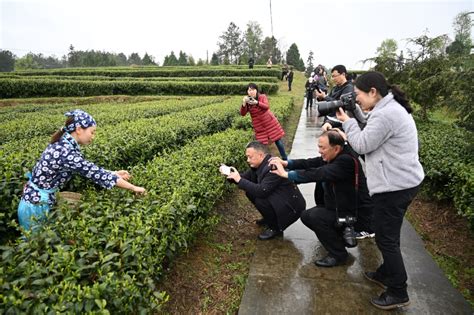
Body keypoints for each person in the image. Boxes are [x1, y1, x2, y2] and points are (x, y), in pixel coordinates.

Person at [336, 71, 424, 310]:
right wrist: (356, 114)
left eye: (358, 96)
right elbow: (370, 126)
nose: (357, 100)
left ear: (373, 92)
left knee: (386, 238)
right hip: (400, 182)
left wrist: (348, 122)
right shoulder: (388, 108)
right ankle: (387, 272)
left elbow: (362, 143)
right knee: (388, 233)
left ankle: (398, 291)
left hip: (395, 186)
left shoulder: (387, 114)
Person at [17, 109, 146, 232]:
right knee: (35, 246)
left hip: (38, 201)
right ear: (79, 130)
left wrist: (114, 173)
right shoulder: (65, 151)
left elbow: (88, 168)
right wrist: (133, 188)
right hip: (35, 205)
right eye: (92, 132)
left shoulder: (64, 144)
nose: (93, 136)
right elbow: (95, 173)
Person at [269, 130, 374, 267]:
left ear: (336, 148)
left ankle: (339, 255)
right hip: (340, 206)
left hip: (354, 213)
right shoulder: (336, 155)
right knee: (308, 215)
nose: (319, 151)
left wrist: (287, 175)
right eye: (319, 147)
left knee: (314, 216)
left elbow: (319, 173)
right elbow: (311, 163)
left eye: (322, 148)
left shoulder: (345, 161)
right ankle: (338, 239)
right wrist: (286, 163)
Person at [221, 141, 306, 240]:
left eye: (250, 157)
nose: (248, 160)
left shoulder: (272, 167)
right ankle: (269, 218)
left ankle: (275, 228)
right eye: (247, 157)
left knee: (261, 199)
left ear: (260, 155)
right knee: (250, 192)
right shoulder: (259, 165)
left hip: (292, 207)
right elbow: (244, 178)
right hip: (281, 199)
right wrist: (230, 175)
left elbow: (262, 191)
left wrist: (239, 179)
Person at [241, 83, 288, 160]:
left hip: (270, 123)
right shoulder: (248, 102)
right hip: (259, 126)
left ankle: (285, 159)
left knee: (278, 141)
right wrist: (243, 103)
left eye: (253, 89)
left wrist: (257, 102)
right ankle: (266, 164)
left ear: (256, 90)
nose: (251, 91)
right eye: (249, 90)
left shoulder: (262, 97)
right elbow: (243, 113)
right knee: (262, 146)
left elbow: (266, 106)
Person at [315, 65, 354, 131]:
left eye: (334, 76)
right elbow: (328, 101)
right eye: (332, 76)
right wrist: (321, 97)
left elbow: (341, 104)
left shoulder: (348, 88)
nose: (333, 79)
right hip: (329, 120)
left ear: (343, 74)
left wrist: (325, 96)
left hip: (338, 123)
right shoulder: (335, 88)